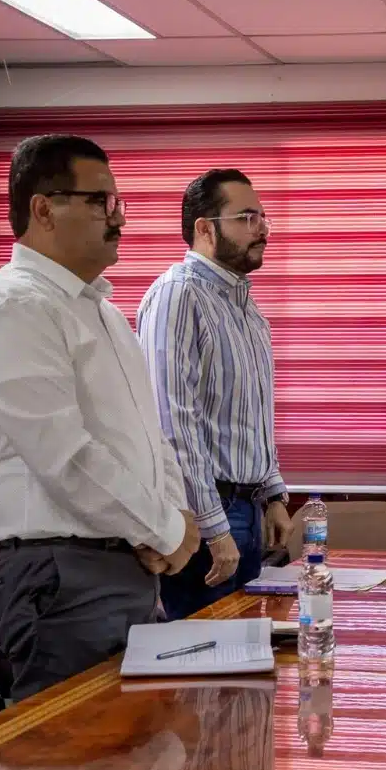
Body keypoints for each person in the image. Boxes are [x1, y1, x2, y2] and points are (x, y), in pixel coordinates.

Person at [0, 134, 201, 700]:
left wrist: (175, 519)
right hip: (62, 572)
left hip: (126, 559)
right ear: (43, 208)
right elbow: (66, 456)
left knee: (132, 762)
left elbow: (148, 434)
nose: (118, 219)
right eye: (100, 202)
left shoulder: (103, 311)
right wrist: (164, 529)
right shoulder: (15, 308)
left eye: (118, 204)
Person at [139, 169, 290, 619]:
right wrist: (212, 526)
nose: (262, 227)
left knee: (245, 672)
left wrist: (274, 494)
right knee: (208, 678)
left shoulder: (245, 306)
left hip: (245, 509)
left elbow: (253, 412)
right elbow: (173, 423)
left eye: (263, 216)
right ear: (204, 229)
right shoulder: (178, 296)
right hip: (207, 513)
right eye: (246, 217)